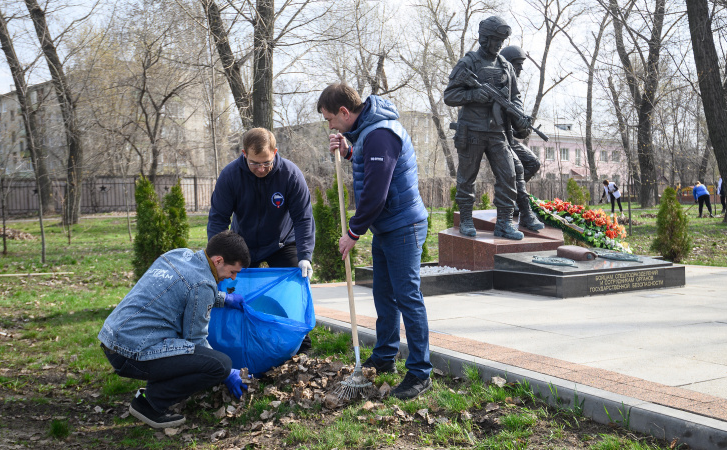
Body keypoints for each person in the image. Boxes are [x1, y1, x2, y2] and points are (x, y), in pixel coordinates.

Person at [317, 83, 433, 400]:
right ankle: (384, 357)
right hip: (389, 227)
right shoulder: (369, 131)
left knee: (407, 297)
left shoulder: (381, 133)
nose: (330, 126)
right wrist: (348, 151)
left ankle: (420, 373)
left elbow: (376, 192)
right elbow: (370, 163)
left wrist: (353, 232)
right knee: (384, 295)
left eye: (330, 119)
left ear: (344, 111)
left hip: (403, 225)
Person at [98, 230, 252, 429]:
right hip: (132, 353)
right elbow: (195, 340)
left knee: (184, 351)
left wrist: (223, 298)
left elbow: (186, 290)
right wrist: (227, 372)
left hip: (114, 338)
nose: (231, 278)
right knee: (218, 364)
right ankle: (150, 403)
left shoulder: (179, 255)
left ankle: (155, 390)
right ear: (218, 260)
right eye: (232, 271)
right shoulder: (203, 284)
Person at [207, 127, 315, 353]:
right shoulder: (230, 176)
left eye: (266, 162)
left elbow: (303, 218)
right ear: (244, 154)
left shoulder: (290, 175)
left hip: (283, 242)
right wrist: (216, 257)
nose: (261, 169)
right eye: (255, 163)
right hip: (243, 243)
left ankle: (300, 345)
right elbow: (218, 219)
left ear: (275, 152)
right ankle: (237, 339)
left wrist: (305, 256)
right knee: (234, 289)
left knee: (296, 279)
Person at [443, 16, 543, 239]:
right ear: (484, 39)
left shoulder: (505, 65)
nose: (499, 44)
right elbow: (450, 95)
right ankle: (467, 220)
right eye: (495, 40)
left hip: (498, 132)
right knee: (467, 179)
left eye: (501, 40)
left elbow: (515, 96)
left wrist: (517, 112)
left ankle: (505, 223)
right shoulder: (468, 62)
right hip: (472, 132)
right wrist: (474, 95)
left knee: (509, 176)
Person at [499, 45, 541, 216]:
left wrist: (523, 125)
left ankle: (514, 198)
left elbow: (519, 132)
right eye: (518, 64)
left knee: (533, 162)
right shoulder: (499, 84)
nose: (521, 68)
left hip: (508, 139)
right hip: (493, 138)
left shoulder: (513, 89)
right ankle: (510, 200)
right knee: (516, 168)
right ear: (508, 64)